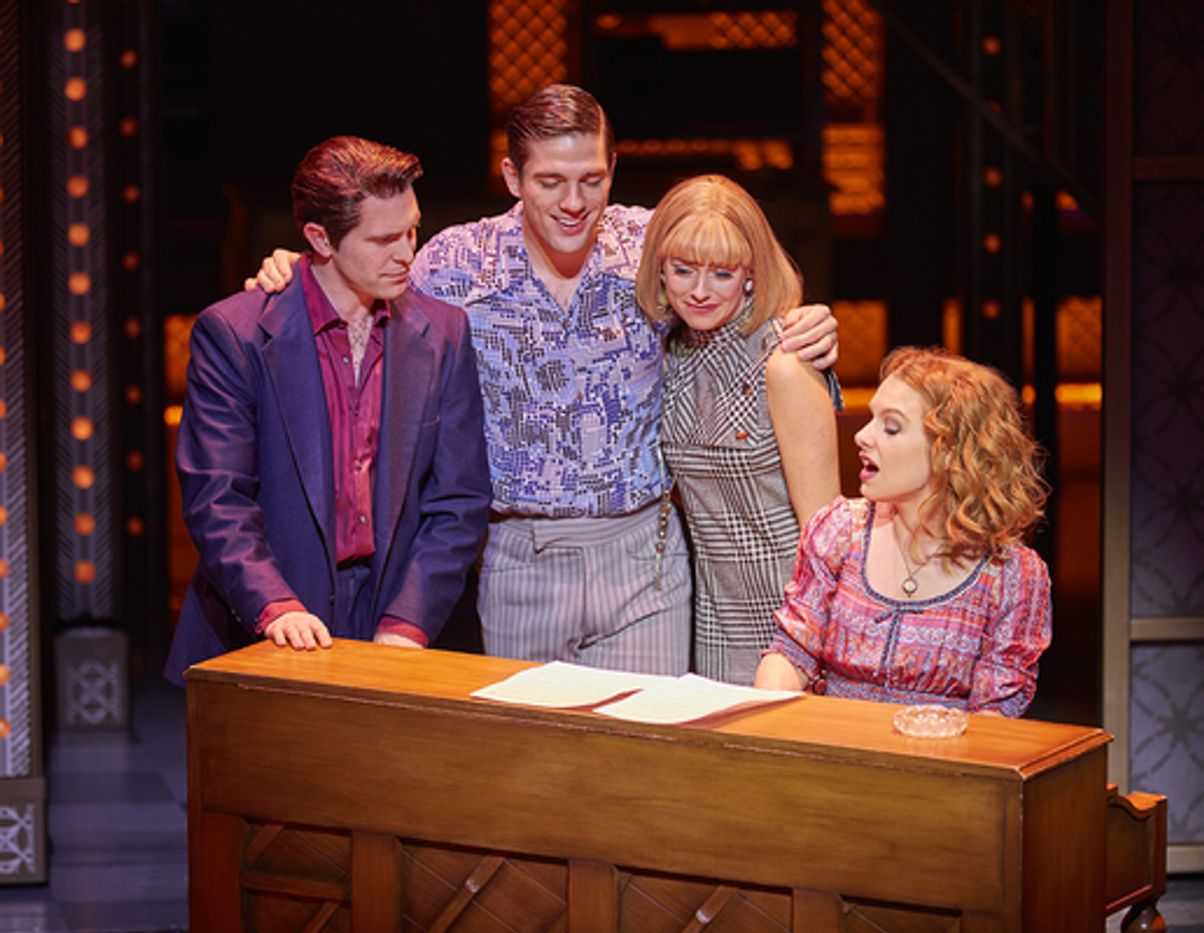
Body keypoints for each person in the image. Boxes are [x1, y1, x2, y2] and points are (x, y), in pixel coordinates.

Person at [252, 85, 837, 675]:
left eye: (590, 179)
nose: (573, 202)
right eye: (550, 181)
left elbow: (736, 279)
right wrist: (302, 270)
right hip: (518, 558)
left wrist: (804, 321)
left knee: (641, 756)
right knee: (537, 763)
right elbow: (367, 282)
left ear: (613, 170)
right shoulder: (457, 263)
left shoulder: (650, 243)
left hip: (645, 557)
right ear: (513, 177)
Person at [164, 136, 492, 683]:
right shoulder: (237, 333)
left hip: (394, 614)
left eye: (412, 229)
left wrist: (409, 620)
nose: (408, 253)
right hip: (270, 615)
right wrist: (276, 606)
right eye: (384, 238)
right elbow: (217, 496)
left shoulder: (443, 332)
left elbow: (458, 499)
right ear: (320, 238)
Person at [753, 347, 1052, 716]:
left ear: (949, 452)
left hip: (942, 763)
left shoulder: (1012, 577)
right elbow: (793, 651)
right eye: (871, 419)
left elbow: (996, 719)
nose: (862, 436)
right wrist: (765, 724)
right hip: (834, 757)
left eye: (890, 427)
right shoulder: (840, 531)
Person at [634, 174, 840, 685]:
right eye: (682, 271)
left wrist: (804, 643)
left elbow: (827, 535)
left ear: (751, 273)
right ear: (659, 269)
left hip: (792, 622)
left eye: (722, 275)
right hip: (714, 618)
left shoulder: (785, 363)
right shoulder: (671, 354)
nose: (699, 292)